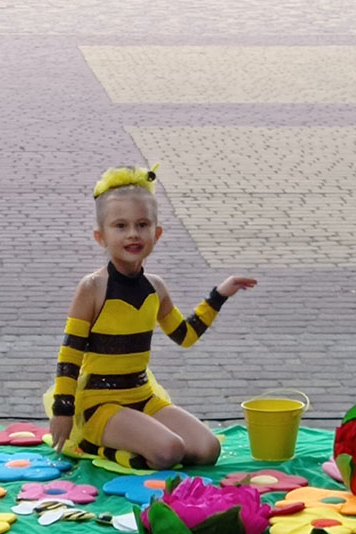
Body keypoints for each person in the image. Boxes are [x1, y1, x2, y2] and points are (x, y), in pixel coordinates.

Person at [47, 164, 257, 470]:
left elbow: (185, 336)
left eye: (142, 224)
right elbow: (70, 353)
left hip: (142, 396)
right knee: (170, 450)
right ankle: (93, 446)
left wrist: (219, 295)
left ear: (157, 233)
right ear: (100, 236)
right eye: (120, 226)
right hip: (99, 405)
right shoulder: (92, 288)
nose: (133, 234)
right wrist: (63, 410)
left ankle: (133, 444)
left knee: (207, 449)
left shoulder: (156, 288)